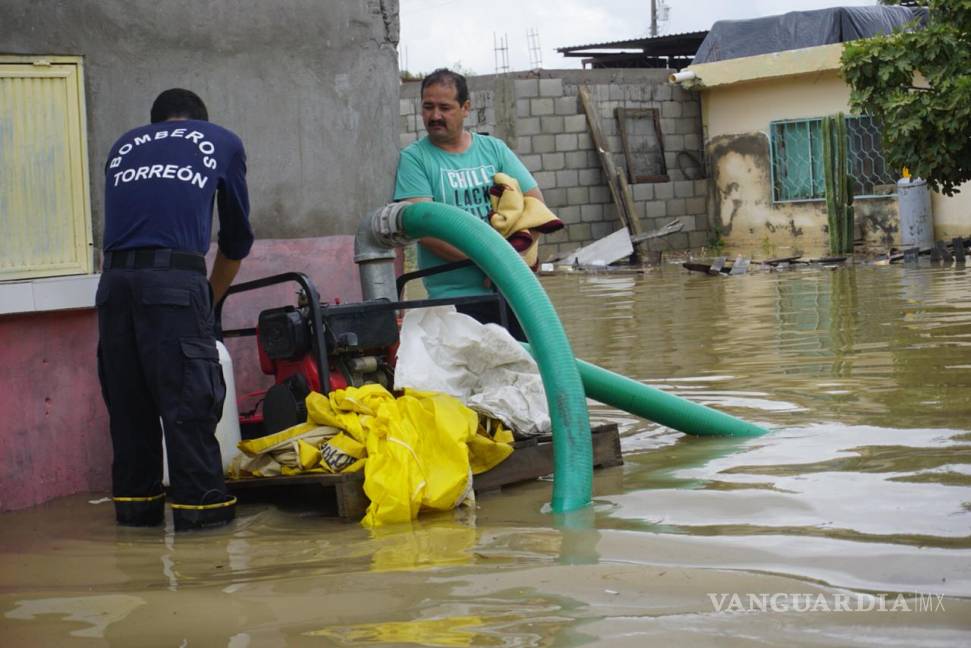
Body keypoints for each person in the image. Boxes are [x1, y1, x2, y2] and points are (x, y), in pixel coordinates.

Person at [96, 89, 253, 530]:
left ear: (155, 121)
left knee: (130, 414)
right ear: (199, 121)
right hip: (174, 282)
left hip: (113, 289)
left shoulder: (122, 145)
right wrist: (208, 301)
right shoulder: (221, 140)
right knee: (190, 410)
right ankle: (206, 546)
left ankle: (135, 522)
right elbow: (237, 241)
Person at [393, 68, 546, 341]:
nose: (435, 116)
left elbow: (535, 206)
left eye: (445, 107)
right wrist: (491, 264)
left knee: (530, 372)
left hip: (513, 292)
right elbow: (425, 230)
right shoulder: (414, 159)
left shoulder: (494, 149)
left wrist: (515, 260)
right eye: (428, 107)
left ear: (465, 108)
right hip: (454, 301)